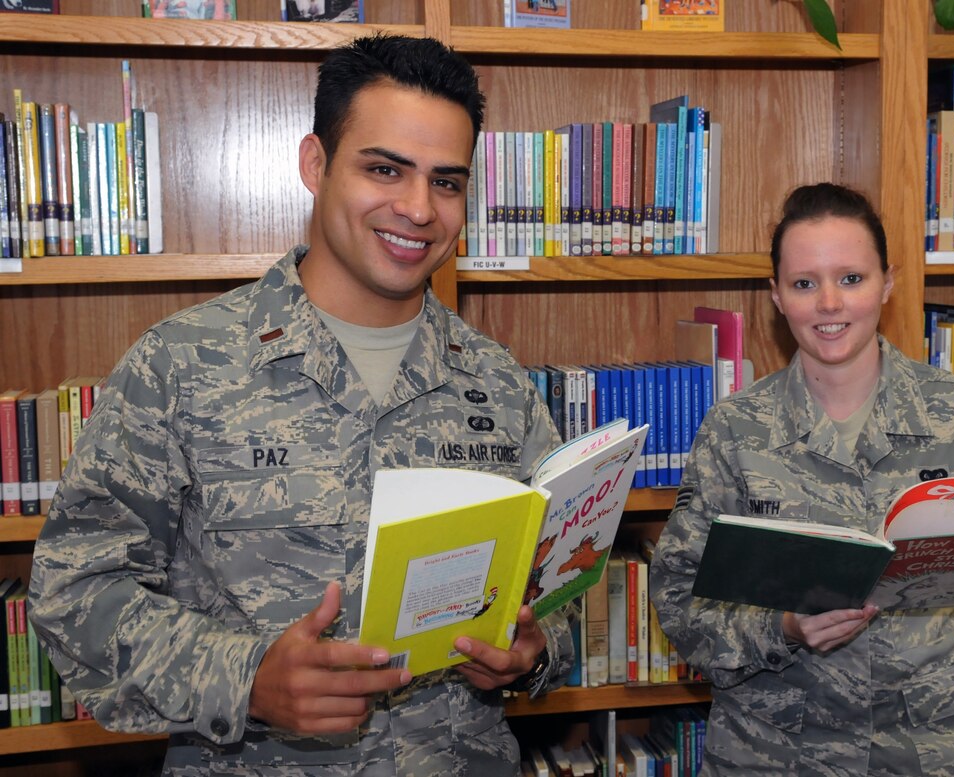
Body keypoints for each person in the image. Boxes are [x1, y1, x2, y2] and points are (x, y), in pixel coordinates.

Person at [28, 34, 574, 776]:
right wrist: (244, 676)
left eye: (446, 182)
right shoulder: (182, 364)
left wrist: (531, 651)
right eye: (384, 169)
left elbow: (557, 589)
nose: (417, 209)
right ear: (314, 165)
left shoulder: (498, 384)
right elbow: (73, 591)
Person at [649, 182, 954, 775]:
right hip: (776, 752)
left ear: (888, 283)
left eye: (852, 279)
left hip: (938, 752)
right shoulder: (733, 430)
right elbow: (679, 602)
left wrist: (951, 700)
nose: (829, 303)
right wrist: (781, 627)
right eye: (804, 283)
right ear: (777, 297)